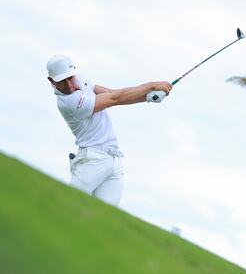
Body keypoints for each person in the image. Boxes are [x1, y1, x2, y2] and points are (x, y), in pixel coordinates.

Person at [46, 54, 172, 206]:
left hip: (114, 160)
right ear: (51, 81)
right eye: (62, 82)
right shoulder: (69, 103)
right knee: (67, 208)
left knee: (104, 219)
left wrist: (147, 97)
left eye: (70, 78)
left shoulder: (80, 79)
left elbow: (112, 93)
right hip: (91, 161)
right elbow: (115, 99)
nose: (69, 85)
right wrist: (152, 85)